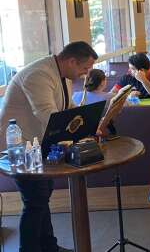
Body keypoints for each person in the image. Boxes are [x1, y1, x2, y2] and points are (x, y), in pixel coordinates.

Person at [0, 41, 98, 252]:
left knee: (42, 196)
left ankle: (48, 246)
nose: (86, 73)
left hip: (36, 144)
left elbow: (67, 109)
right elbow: (49, 116)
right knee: (35, 200)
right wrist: (76, 134)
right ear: (71, 61)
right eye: (84, 68)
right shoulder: (38, 75)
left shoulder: (63, 75)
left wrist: (90, 122)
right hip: (18, 146)